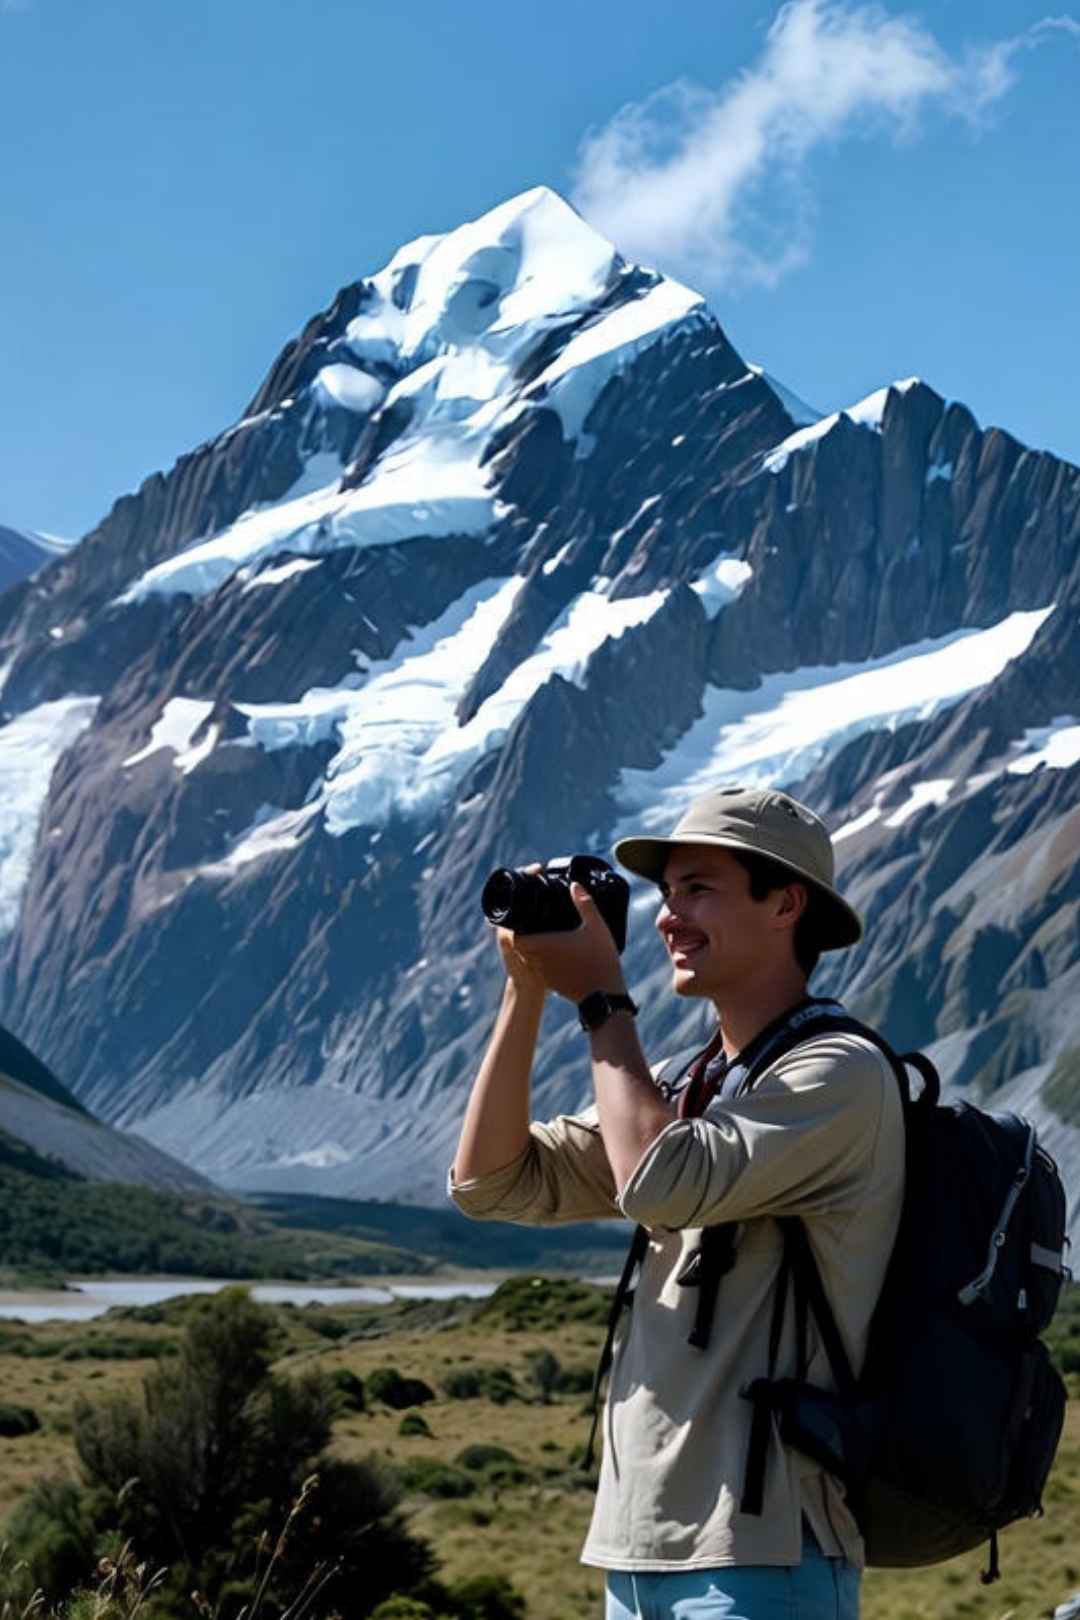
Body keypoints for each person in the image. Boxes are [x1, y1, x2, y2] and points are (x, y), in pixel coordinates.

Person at [449, 784, 905, 1620]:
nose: (668, 917)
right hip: (640, 1549)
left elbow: (661, 1180)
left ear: (786, 904)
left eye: (699, 889)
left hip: (765, 1551)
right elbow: (491, 1181)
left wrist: (601, 1000)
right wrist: (525, 992)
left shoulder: (839, 1076)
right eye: (666, 894)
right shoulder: (686, 1087)